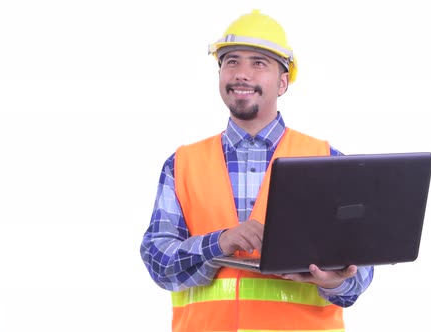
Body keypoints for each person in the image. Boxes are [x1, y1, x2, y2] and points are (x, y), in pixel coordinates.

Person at [140, 9, 374, 331]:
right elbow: (157, 261)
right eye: (231, 61)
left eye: (258, 63)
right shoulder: (181, 164)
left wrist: (333, 282)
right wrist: (220, 242)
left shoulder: (328, 161)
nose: (242, 74)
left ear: (282, 82)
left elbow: (359, 278)